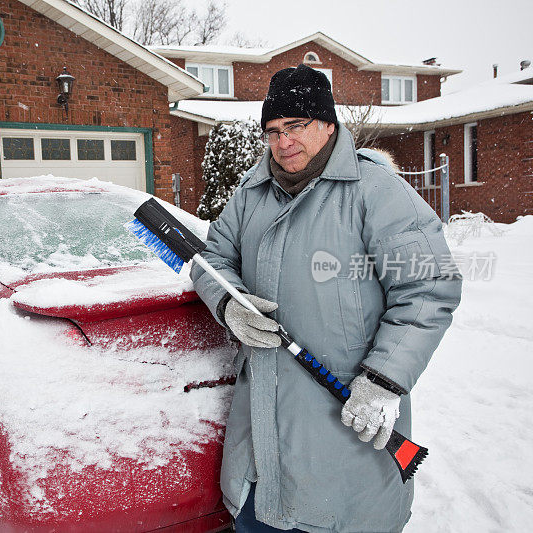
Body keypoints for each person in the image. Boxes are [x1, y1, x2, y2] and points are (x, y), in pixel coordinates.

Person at [190, 64, 462, 532]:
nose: (283, 142)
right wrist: (228, 304)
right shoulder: (251, 193)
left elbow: (427, 287)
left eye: (296, 126)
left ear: (328, 125)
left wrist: (383, 380)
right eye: (273, 130)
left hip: (343, 431)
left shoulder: (375, 192)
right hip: (261, 442)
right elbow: (211, 259)